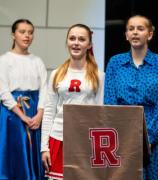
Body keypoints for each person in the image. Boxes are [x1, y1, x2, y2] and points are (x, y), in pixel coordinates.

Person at [104, 15, 158, 180]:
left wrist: (148, 138)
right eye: (131, 29)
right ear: (126, 35)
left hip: (152, 135)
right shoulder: (115, 62)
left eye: (140, 29)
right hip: (121, 134)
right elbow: (110, 101)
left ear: (149, 34)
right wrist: (121, 135)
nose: (135, 32)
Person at [41, 23, 104, 180]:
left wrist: (98, 148)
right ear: (67, 42)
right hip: (58, 138)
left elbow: (101, 113)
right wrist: (44, 147)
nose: (76, 42)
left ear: (89, 44)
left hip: (86, 140)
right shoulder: (56, 73)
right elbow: (49, 112)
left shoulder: (99, 75)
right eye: (72, 38)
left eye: (81, 39)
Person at [0, 19, 47, 180]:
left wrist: (39, 114)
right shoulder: (4, 60)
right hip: (12, 113)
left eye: (30, 32)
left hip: (33, 110)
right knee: (14, 150)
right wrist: (21, 115)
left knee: (32, 148)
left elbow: (45, 89)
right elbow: (3, 91)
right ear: (13, 35)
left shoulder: (37, 61)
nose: (27, 36)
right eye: (22, 32)